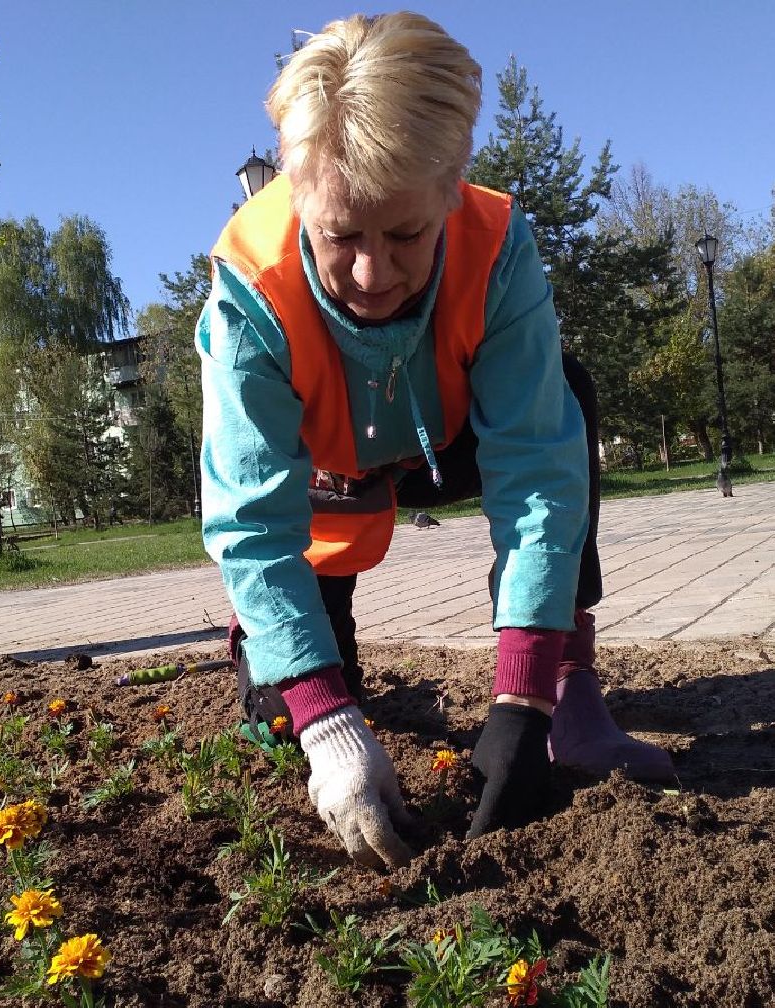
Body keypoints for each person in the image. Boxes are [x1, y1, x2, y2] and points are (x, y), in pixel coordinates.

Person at [198, 11, 672, 870]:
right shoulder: (250, 292)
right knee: (283, 719)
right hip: (323, 482)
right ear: (297, 191)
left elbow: (534, 472)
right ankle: (285, 665)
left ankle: (571, 684)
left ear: (451, 184)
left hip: (444, 442)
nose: (373, 275)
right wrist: (327, 722)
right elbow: (249, 520)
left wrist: (521, 697)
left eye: (407, 234)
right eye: (341, 236)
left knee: (569, 391)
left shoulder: (499, 251)